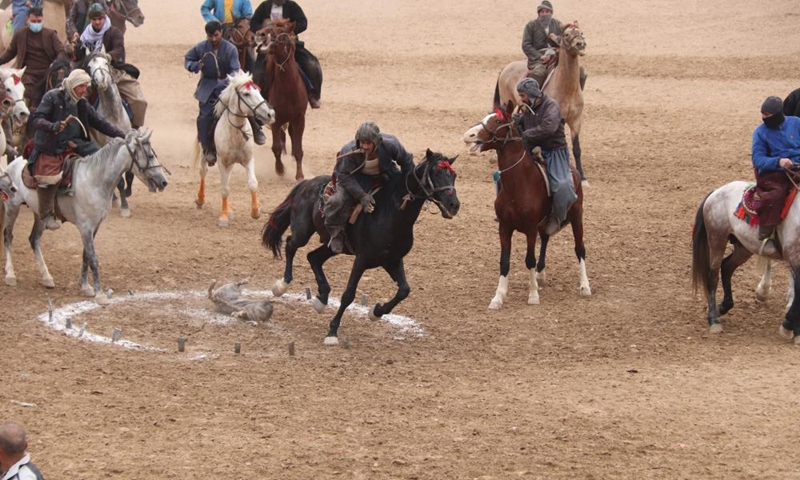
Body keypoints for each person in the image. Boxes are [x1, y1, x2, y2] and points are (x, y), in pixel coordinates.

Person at [30, 69, 125, 230]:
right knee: (48, 177)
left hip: (77, 143)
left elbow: (99, 122)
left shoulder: (81, 102)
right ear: (73, 85)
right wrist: (52, 126)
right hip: (51, 145)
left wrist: (122, 135)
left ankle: (95, 200)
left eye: (86, 86)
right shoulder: (52, 97)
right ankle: (46, 214)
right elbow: (37, 119)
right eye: (82, 86)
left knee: (102, 158)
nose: (84, 90)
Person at [324, 121, 414, 254]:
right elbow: (343, 176)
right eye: (362, 142)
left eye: (368, 143)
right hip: (355, 178)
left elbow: (407, 161)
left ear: (377, 142)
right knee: (337, 201)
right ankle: (336, 234)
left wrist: (408, 184)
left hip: (384, 173)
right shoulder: (349, 150)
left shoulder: (391, 144)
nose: (365, 146)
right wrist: (362, 196)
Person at [186, 21, 264, 165]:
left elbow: (235, 70)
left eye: (216, 35)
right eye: (210, 36)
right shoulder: (201, 47)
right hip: (207, 87)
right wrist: (194, 66)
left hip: (228, 85)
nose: (214, 39)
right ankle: (208, 149)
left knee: (247, 103)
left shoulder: (230, 49)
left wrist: (224, 83)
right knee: (204, 117)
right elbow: (188, 59)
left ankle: (256, 128)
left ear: (221, 33)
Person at [516, 77, 576, 235]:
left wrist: (527, 134)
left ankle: (557, 218)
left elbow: (548, 127)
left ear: (531, 93)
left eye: (522, 95)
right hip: (532, 149)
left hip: (554, 152)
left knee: (562, 186)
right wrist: (516, 123)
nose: (521, 99)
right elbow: (522, 125)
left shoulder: (551, 106)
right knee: (504, 174)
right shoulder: (528, 107)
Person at [75, 3, 147, 129]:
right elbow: (78, 55)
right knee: (76, 102)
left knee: (139, 101)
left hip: (114, 72)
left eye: (100, 19)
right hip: (90, 75)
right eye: (94, 19)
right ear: (90, 20)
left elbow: (119, 49)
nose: (97, 22)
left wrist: (108, 56)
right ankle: (81, 132)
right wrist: (74, 48)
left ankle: (135, 128)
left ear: (105, 17)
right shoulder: (85, 35)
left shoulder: (114, 32)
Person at [250, 0, 322, 109]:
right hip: (270, 46)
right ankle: (260, 101)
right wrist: (263, 28)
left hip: (289, 44)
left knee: (311, 64)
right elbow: (253, 23)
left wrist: (291, 28)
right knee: (258, 72)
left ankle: (313, 95)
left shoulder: (292, 6)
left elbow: (303, 22)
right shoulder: (264, 6)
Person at [751, 96, 800, 250]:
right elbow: (757, 159)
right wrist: (778, 162)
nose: (764, 118)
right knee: (775, 195)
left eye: (768, 115)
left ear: (778, 114)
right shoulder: (760, 132)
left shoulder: (796, 123)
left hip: (797, 167)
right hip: (774, 173)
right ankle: (767, 233)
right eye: (763, 114)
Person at [0, 6, 67, 110]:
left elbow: (61, 51)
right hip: (27, 73)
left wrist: (56, 64)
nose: (36, 24)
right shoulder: (20, 34)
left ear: (42, 20)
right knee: (23, 94)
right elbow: (10, 52)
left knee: (59, 95)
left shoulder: (50, 34)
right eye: (33, 21)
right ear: (27, 20)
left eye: (39, 21)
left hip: (47, 73)